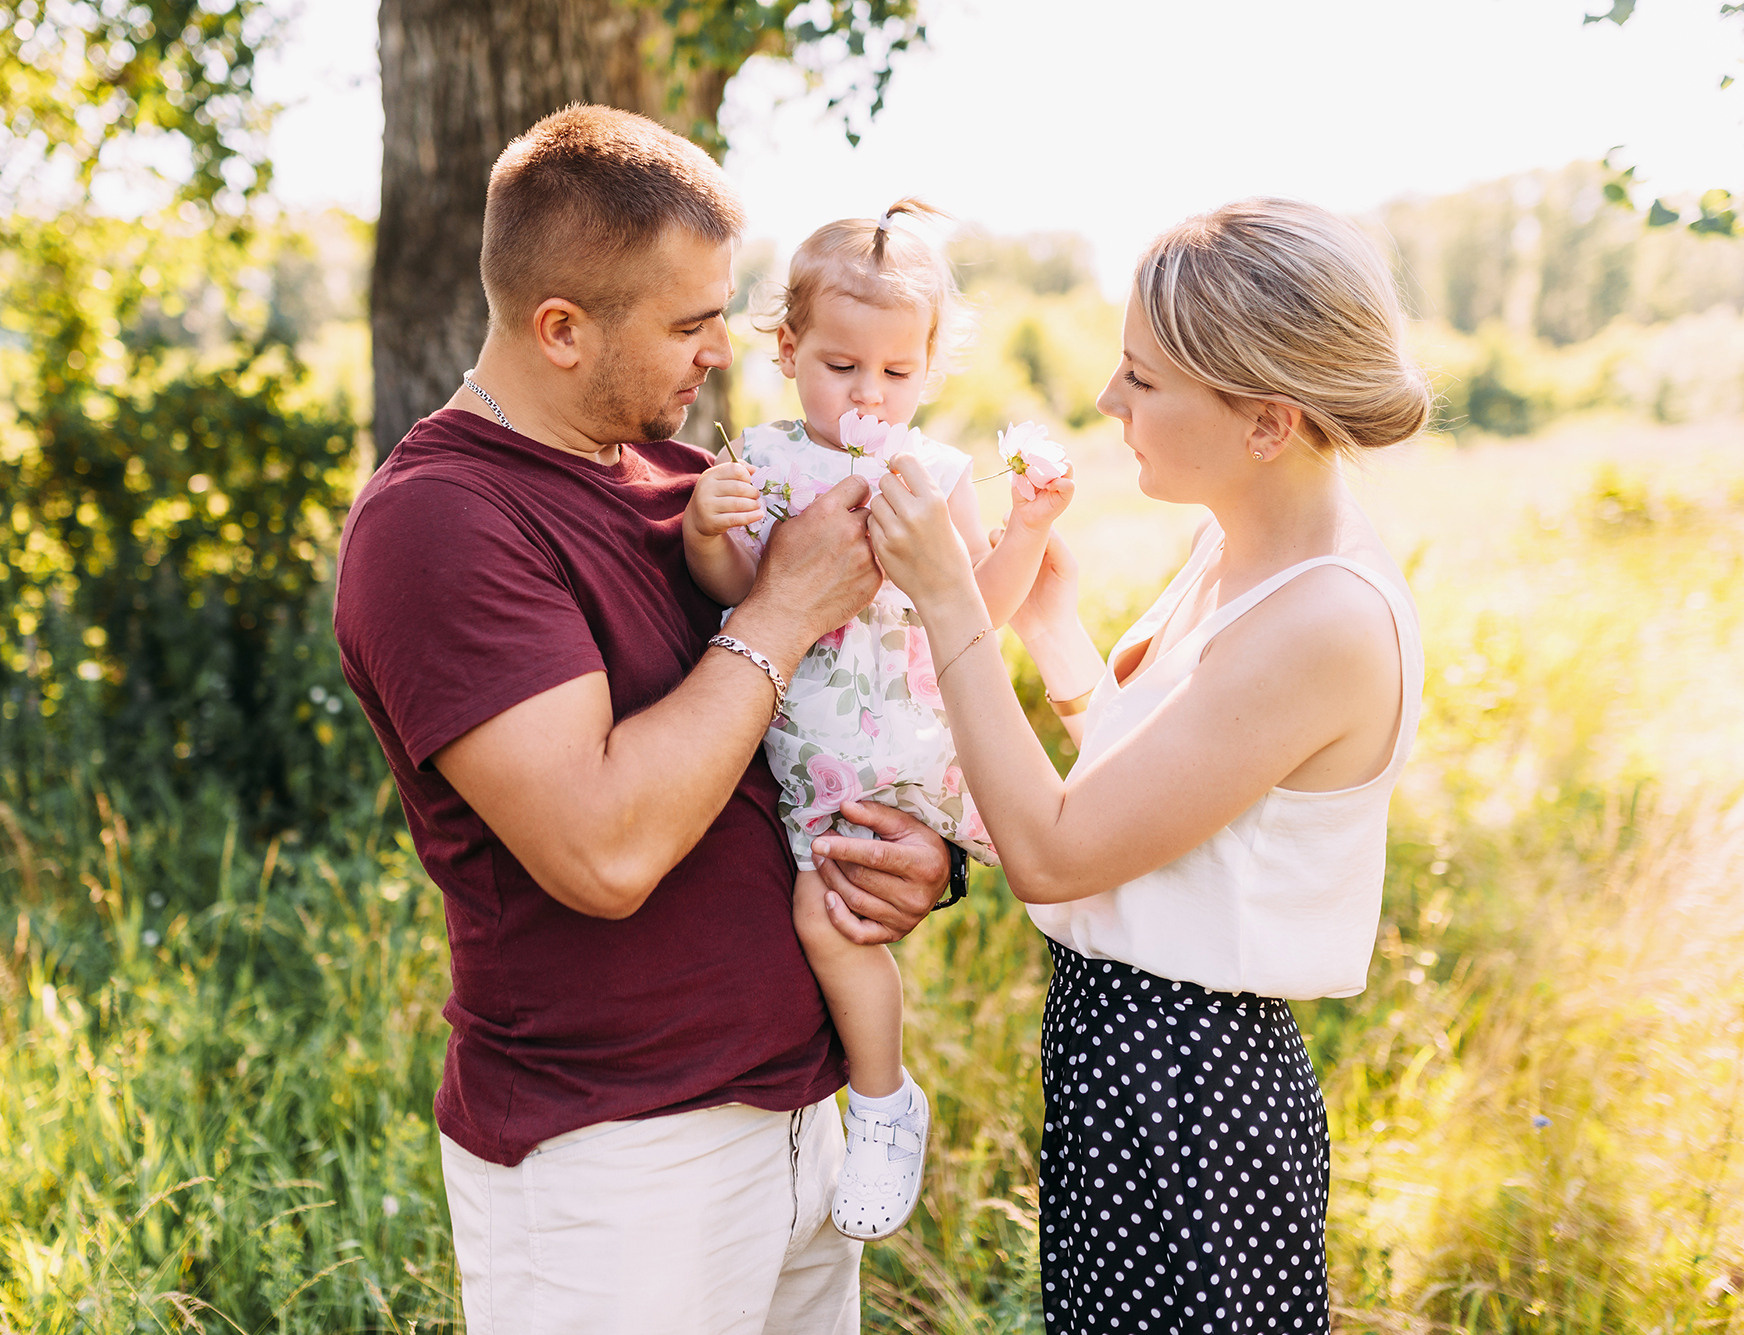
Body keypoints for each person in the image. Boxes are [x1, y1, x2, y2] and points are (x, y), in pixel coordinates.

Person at [333, 105, 956, 1335]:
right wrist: (777, 614)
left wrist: (922, 868)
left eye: (721, 312)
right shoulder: (442, 524)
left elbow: (828, 719)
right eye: (687, 323)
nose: (722, 351)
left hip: (797, 1127)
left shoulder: (692, 486)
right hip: (613, 1165)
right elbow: (604, 851)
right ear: (559, 329)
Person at [864, 198, 1430, 1332]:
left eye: (1141, 378)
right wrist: (1053, 627)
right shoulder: (1233, 543)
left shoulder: (1324, 615)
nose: (1106, 402)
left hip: (1189, 1087)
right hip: (1124, 1051)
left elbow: (1057, 851)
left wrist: (946, 607)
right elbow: (1159, 791)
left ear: (1265, 422)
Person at [682, 198, 1073, 1240]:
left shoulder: (934, 474)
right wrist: (705, 531)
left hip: (906, 744)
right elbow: (734, 593)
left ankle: (884, 1103)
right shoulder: (757, 462)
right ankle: (876, 1099)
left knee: (833, 913)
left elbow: (975, 615)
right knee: (819, 913)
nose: (868, 393)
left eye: (896, 374)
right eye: (841, 366)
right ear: (786, 349)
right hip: (809, 743)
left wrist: (1025, 527)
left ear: (930, 369)